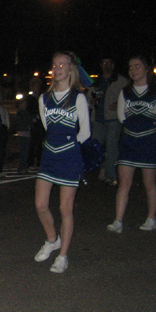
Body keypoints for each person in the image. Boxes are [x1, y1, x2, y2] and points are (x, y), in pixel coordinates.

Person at [33, 52, 90, 274]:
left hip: (69, 158)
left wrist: (70, 148)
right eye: (54, 65)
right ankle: (51, 239)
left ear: (70, 69)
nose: (57, 69)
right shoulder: (44, 98)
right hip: (49, 156)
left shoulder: (78, 97)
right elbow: (48, 128)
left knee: (65, 208)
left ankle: (63, 254)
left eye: (62, 65)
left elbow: (84, 132)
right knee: (40, 204)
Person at [106, 55, 156, 233]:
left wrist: (152, 130)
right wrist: (132, 130)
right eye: (130, 67)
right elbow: (121, 116)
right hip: (129, 142)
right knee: (124, 182)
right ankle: (118, 221)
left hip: (149, 142)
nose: (133, 70)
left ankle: (151, 218)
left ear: (146, 69)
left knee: (149, 183)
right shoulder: (125, 92)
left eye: (137, 66)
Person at [90, 57, 128, 185]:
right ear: (101, 65)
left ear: (113, 65)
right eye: (104, 63)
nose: (107, 65)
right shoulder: (96, 81)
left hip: (113, 119)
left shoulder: (121, 81)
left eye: (109, 63)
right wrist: (92, 101)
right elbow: (88, 98)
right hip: (98, 119)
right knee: (96, 147)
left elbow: (129, 97)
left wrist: (119, 103)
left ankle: (110, 175)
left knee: (112, 147)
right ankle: (104, 167)